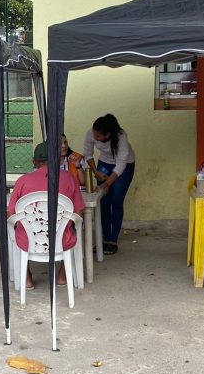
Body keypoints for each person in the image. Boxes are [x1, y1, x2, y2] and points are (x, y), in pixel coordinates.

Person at [8, 142, 85, 289]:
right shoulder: (69, 178)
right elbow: (79, 211)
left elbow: (10, 213)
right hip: (62, 239)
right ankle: (62, 276)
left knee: (16, 228)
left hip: (29, 241)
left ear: (34, 162)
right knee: (74, 227)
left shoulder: (22, 181)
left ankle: (27, 279)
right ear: (57, 160)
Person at [83, 113, 135, 255]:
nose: (95, 137)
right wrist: (96, 172)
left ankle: (112, 240)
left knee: (116, 200)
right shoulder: (91, 133)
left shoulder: (121, 137)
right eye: (94, 134)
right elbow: (87, 154)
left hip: (124, 167)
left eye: (98, 136)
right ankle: (103, 239)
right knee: (103, 200)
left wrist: (107, 183)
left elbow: (120, 165)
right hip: (104, 163)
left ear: (108, 135)